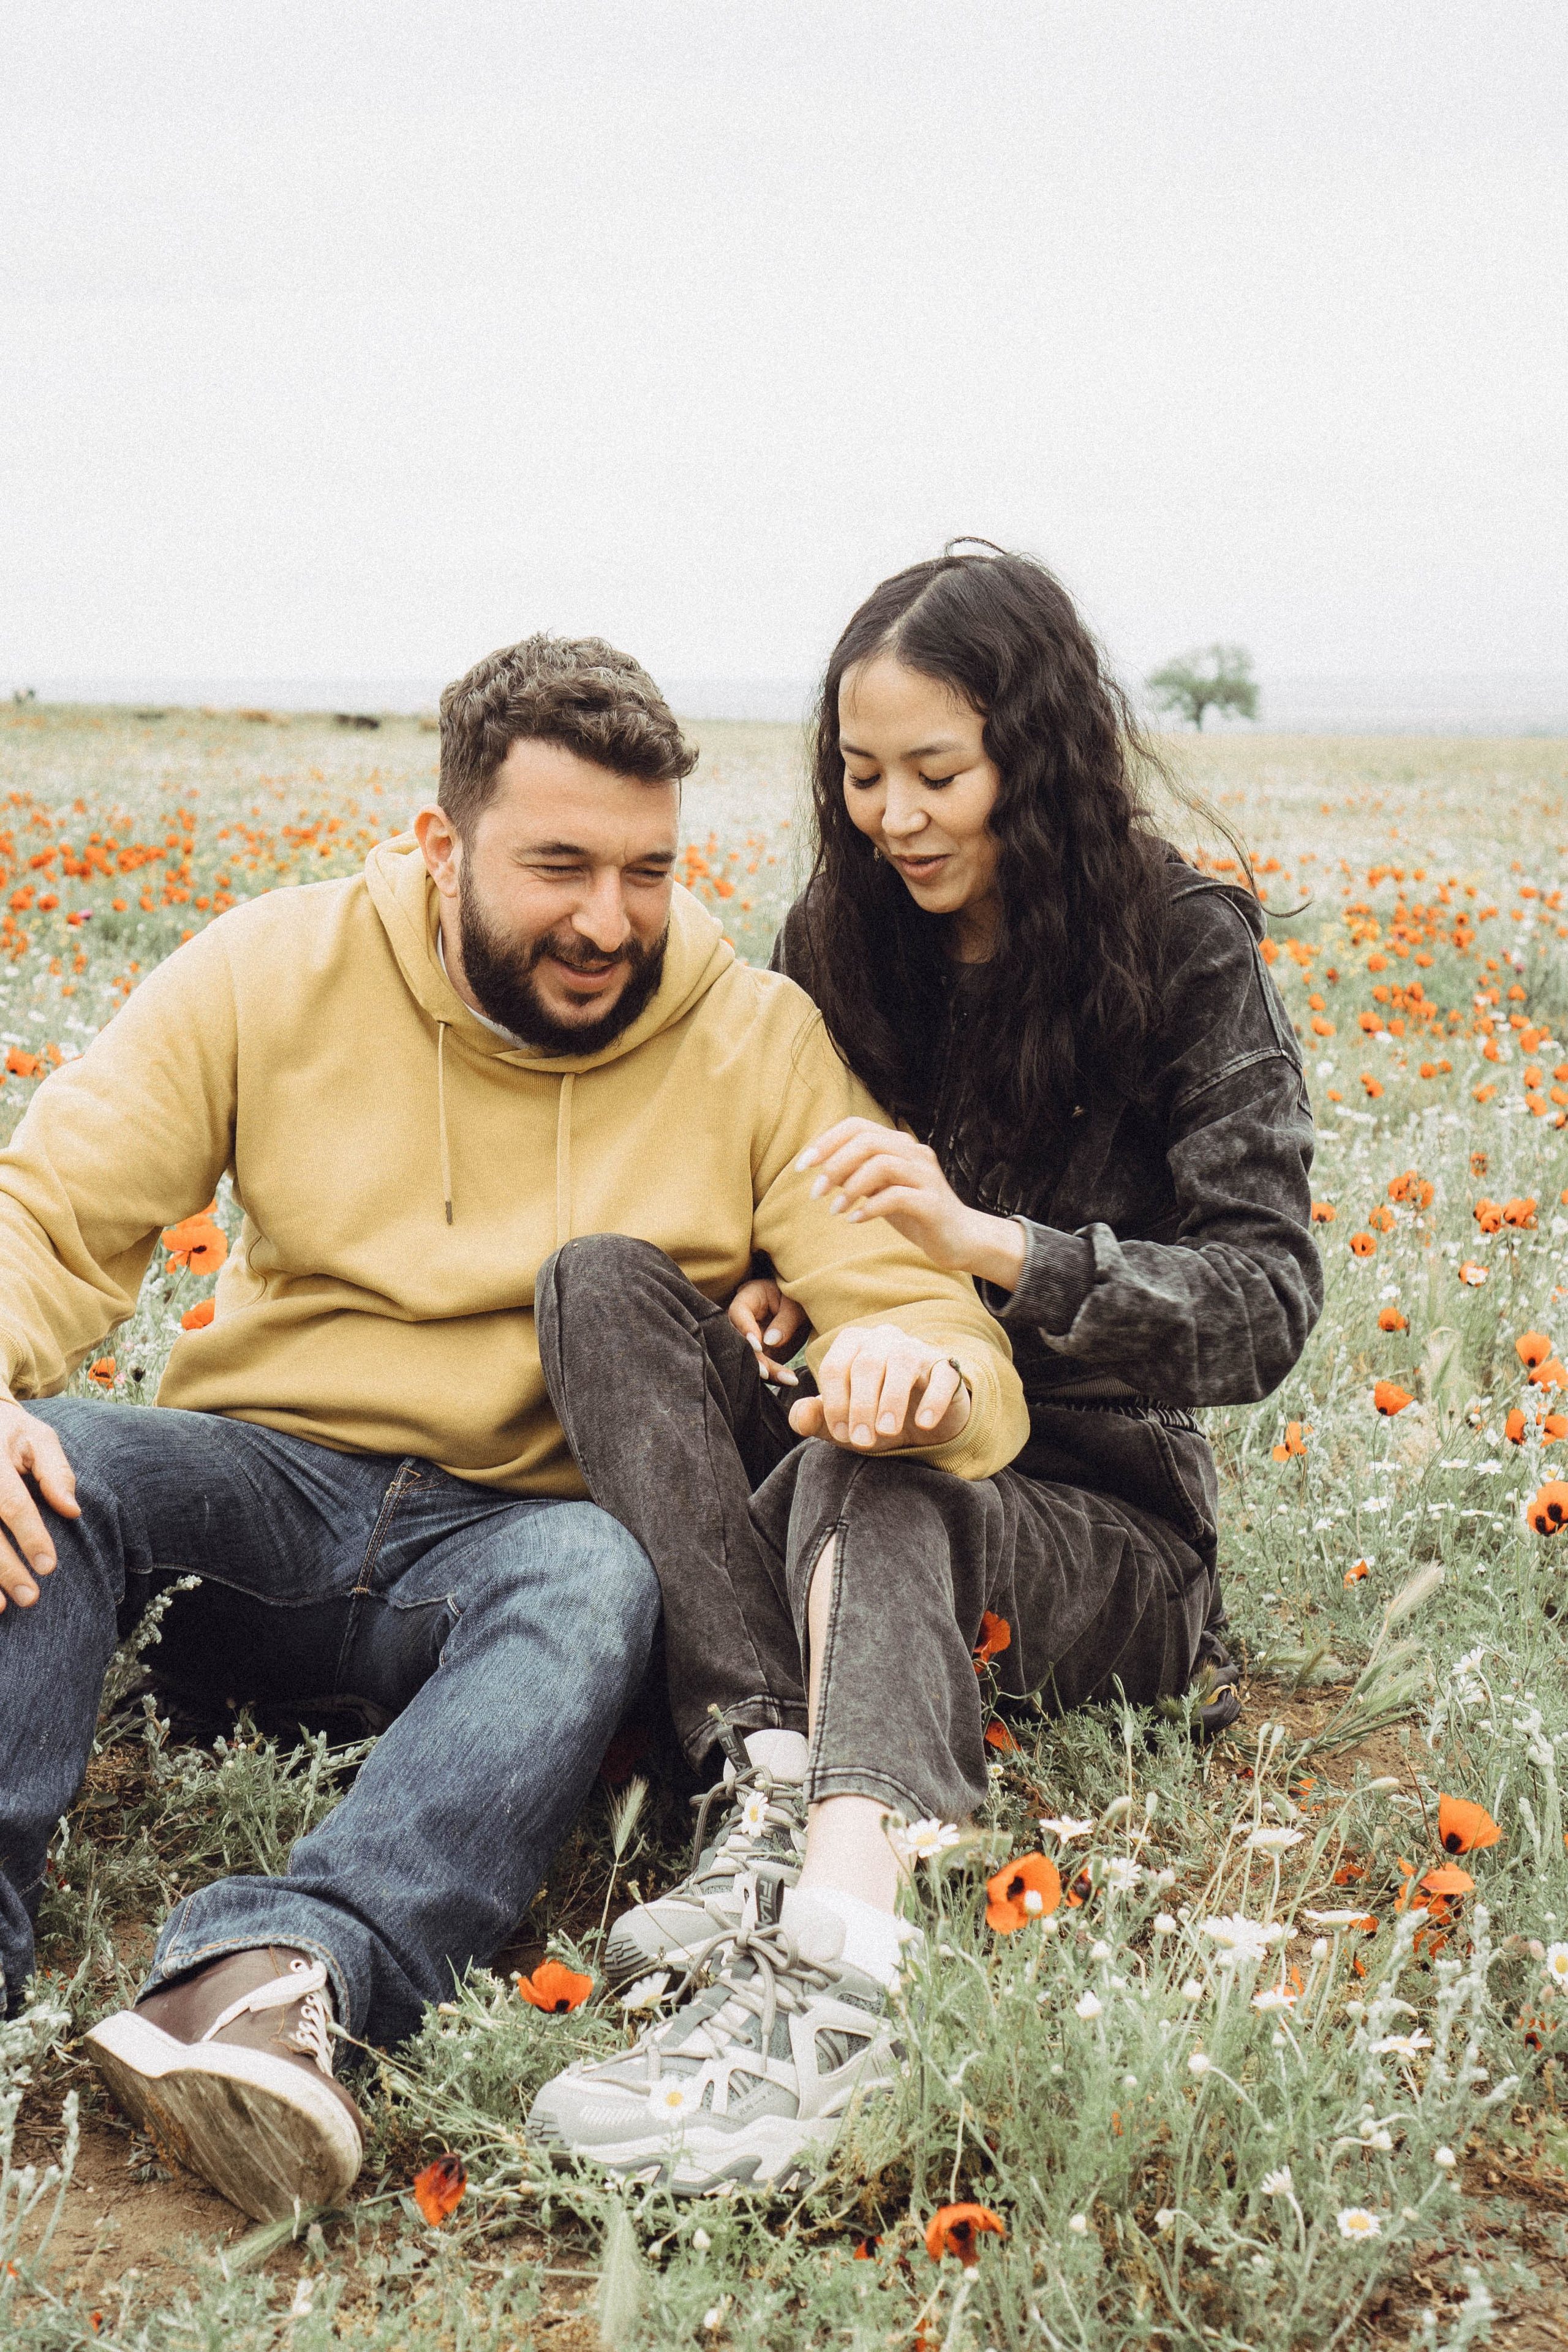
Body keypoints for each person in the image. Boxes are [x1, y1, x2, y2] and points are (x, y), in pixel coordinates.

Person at [0, 632, 1025, 2223]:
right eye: (557, 865)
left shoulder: (751, 1036)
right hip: (266, 1492)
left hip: (521, 1546)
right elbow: (51, 1209)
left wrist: (915, 1357)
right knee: (50, 1455)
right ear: (441, 846)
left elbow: (907, 1287)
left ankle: (276, 1972)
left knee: (598, 1579)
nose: (608, 919)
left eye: (647, 871)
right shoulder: (274, 970)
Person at [527, 548, 1321, 2192]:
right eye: (862, 774)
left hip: (1102, 1531)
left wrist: (997, 1250)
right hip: (851, 1438)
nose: (895, 817)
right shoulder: (844, 937)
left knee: (882, 1460)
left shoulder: (1183, 951)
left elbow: (1265, 1300)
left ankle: (841, 1979)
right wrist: (766, 1287)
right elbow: (785, 1184)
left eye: (937, 774)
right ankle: (769, 1774)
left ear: (1037, 752)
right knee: (606, 1286)